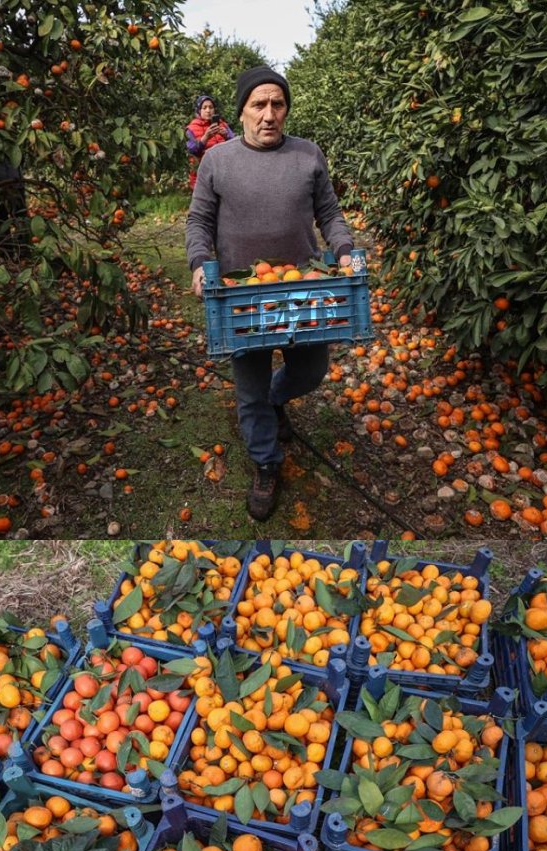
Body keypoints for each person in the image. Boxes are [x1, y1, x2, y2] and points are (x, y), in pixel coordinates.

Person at [185, 65, 356, 521]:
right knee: (250, 385)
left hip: (302, 289)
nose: (268, 114)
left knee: (311, 370)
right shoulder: (217, 161)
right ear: (240, 111)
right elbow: (198, 221)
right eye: (258, 104)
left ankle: (277, 400)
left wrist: (343, 251)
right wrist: (202, 263)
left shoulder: (308, 155)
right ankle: (265, 462)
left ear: (286, 110)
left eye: (277, 104)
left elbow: (330, 214)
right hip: (240, 294)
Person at [185, 95, 233, 191]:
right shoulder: (191, 129)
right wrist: (205, 137)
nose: (208, 110)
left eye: (211, 107)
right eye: (204, 108)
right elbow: (192, 151)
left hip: (223, 174)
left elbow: (235, 143)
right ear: (199, 110)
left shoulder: (222, 124)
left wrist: (226, 136)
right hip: (202, 175)